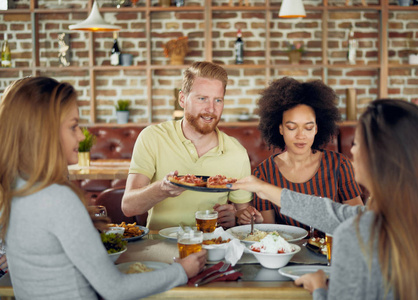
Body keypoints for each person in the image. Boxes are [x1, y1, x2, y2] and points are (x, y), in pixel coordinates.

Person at [0, 77, 207, 300]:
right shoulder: (57, 198)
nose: (81, 136)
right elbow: (115, 289)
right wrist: (182, 271)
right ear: (43, 132)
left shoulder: (14, 190)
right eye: (73, 126)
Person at [229, 99, 418, 299]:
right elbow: (331, 213)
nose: (351, 151)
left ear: (376, 155)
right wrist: (261, 187)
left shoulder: (356, 235)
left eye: (357, 144)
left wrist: (319, 290)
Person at [122, 61, 252, 230]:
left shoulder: (237, 153)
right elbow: (128, 207)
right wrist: (162, 189)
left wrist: (234, 217)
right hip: (158, 246)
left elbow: (243, 216)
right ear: (182, 99)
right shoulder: (152, 137)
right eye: (202, 98)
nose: (210, 109)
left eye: (218, 100)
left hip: (211, 245)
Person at [237, 77, 363, 231]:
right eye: (291, 127)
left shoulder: (339, 165)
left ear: (317, 128)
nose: (300, 135)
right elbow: (269, 232)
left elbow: (359, 222)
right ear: (281, 129)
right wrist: (256, 222)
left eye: (308, 128)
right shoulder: (263, 173)